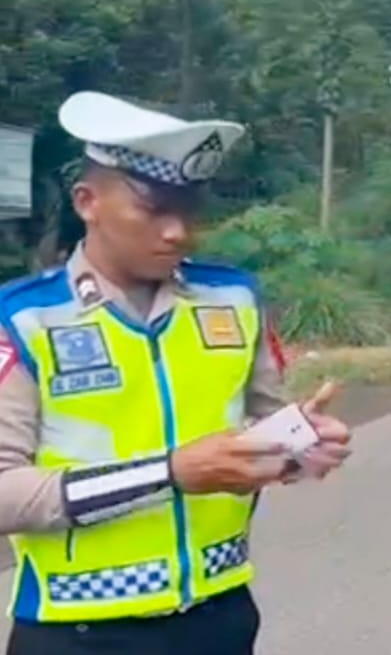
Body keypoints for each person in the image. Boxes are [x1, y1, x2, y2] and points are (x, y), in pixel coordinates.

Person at [0, 92, 353, 655]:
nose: (178, 232)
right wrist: (169, 473)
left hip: (220, 617)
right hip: (77, 632)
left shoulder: (233, 298)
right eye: (153, 208)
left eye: (190, 210)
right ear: (87, 201)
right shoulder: (22, 319)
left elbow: (259, 426)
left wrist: (300, 444)